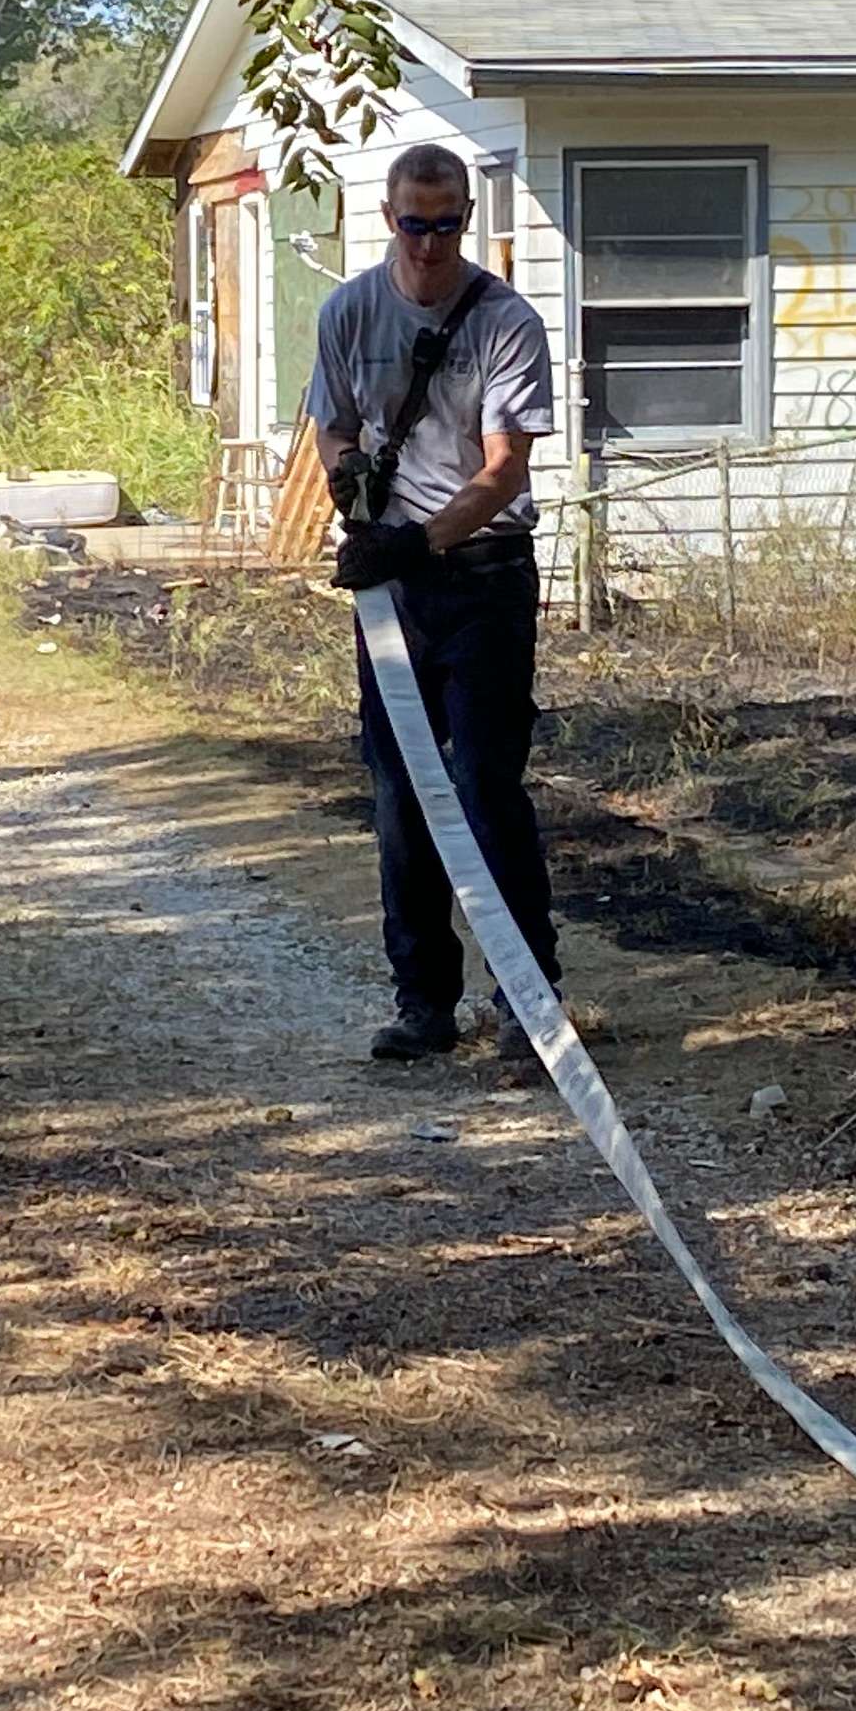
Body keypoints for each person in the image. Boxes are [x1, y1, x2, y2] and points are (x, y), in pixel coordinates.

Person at [313, 143, 563, 1077]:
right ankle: (424, 1003)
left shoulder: (505, 322)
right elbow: (333, 421)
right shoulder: (349, 311)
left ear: (467, 219)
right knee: (398, 790)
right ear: (389, 217)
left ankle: (528, 1002)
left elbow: (504, 470)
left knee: (486, 789)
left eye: (446, 223)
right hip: (392, 588)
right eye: (413, 223)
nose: (427, 242)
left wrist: (424, 538)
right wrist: (352, 488)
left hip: (485, 577)